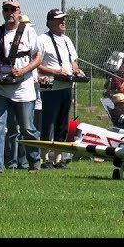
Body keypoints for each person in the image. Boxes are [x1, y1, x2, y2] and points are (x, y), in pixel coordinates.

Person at [0, 0, 43, 173]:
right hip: (1, 86)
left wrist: (24, 70)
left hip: (23, 86)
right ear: (3, 12)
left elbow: (38, 57)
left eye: (13, 9)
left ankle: (34, 161)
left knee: (26, 127)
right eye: (6, 9)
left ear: (19, 11)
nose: (9, 12)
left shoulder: (28, 31)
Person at [37, 9, 85, 169]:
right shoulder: (42, 39)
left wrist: (77, 70)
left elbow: (74, 62)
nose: (63, 22)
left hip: (66, 86)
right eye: (59, 20)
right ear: (50, 22)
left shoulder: (67, 40)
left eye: (64, 19)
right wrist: (56, 72)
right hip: (50, 87)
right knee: (48, 123)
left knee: (62, 124)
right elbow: (38, 65)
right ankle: (45, 159)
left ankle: (59, 159)